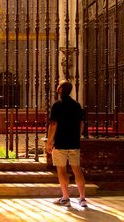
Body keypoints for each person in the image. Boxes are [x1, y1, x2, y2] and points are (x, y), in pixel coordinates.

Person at [46, 79, 87, 208]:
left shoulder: (57, 105)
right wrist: (77, 137)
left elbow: (53, 124)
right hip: (74, 143)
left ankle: (66, 198)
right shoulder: (77, 105)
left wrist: (49, 141)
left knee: (62, 171)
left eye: (58, 87)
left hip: (60, 143)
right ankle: (82, 198)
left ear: (60, 90)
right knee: (77, 171)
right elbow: (81, 123)